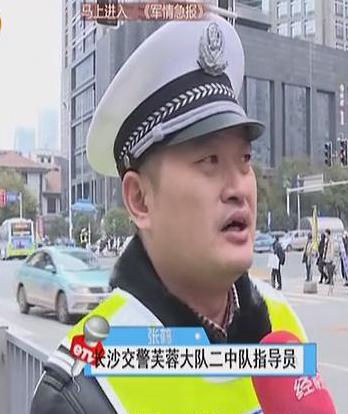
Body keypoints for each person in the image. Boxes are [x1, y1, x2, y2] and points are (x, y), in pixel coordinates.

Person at [30, 16, 313, 414]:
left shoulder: (283, 323)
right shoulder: (83, 389)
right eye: (209, 160)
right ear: (140, 200)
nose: (238, 188)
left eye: (245, 160)